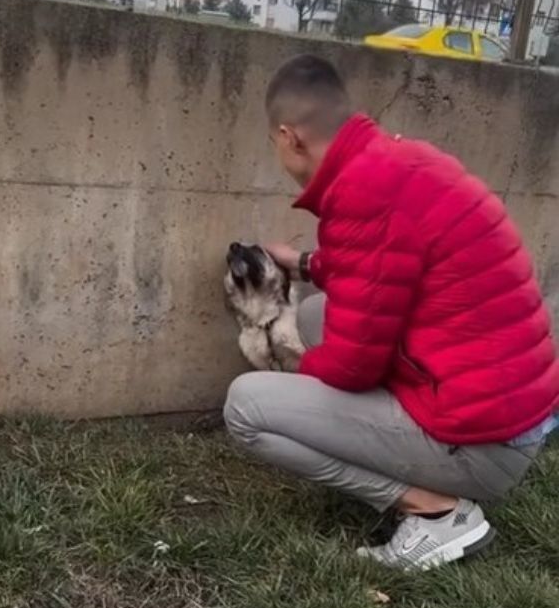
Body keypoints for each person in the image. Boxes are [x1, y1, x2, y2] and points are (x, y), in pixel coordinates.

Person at [223, 54, 559, 570]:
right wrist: (306, 263)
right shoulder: (397, 163)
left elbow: (353, 368)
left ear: (291, 138)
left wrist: (290, 362)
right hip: (509, 414)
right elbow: (386, 264)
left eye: (275, 146)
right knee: (317, 316)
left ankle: (437, 511)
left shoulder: (358, 194)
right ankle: (432, 475)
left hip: (482, 442)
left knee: (247, 407)